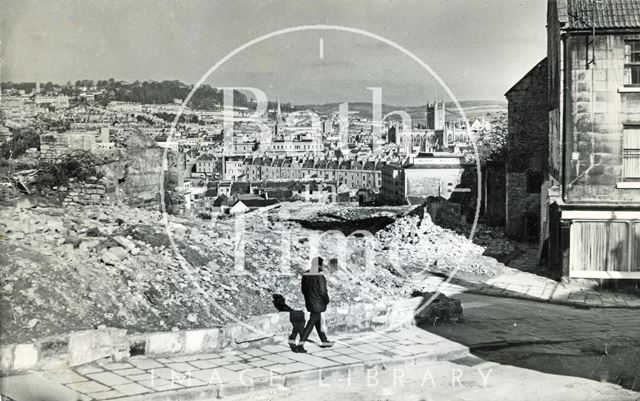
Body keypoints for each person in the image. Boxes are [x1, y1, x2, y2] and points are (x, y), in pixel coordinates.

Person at [297, 256, 334, 352]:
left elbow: (303, 290)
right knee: (310, 324)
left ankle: (324, 341)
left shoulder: (305, 274)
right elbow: (323, 292)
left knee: (318, 321)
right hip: (318, 303)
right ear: (318, 265)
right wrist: (326, 300)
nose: (322, 267)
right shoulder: (320, 277)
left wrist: (310, 298)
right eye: (321, 265)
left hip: (310, 302)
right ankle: (300, 345)